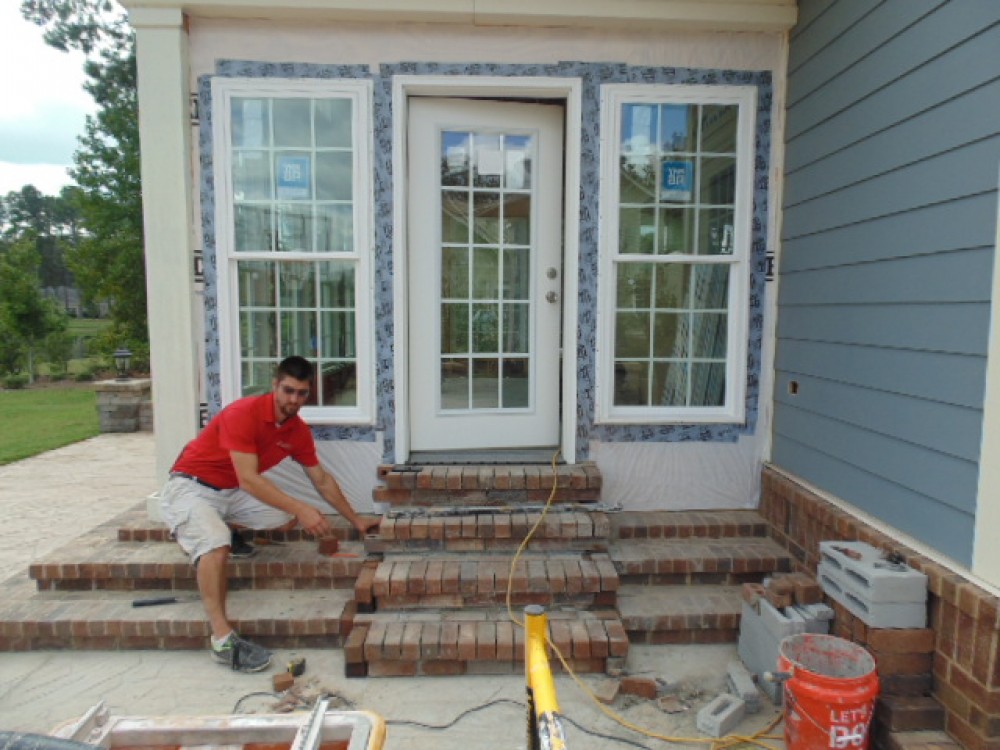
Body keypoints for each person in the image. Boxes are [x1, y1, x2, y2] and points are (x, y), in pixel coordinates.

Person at [159, 355, 379, 673]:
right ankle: (222, 639)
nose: (294, 400)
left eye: (302, 393)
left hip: (231, 491)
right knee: (215, 545)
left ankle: (220, 528)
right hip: (191, 486)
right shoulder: (242, 414)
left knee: (281, 517)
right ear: (274, 385)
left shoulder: (296, 430)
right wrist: (302, 508)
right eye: (288, 391)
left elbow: (321, 480)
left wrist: (356, 520)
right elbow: (250, 479)